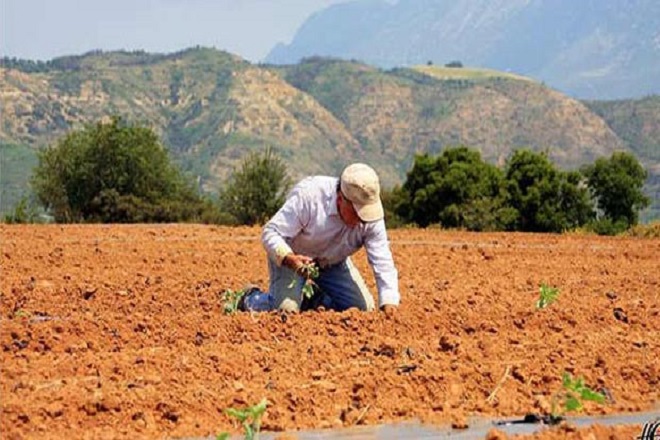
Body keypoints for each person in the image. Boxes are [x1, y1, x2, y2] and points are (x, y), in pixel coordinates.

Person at [239, 163, 400, 314]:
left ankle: (314, 299)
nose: (362, 220)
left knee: (362, 308)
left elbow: (382, 260)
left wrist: (389, 303)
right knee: (285, 310)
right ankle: (250, 298)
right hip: (294, 259)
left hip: (332, 262)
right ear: (340, 199)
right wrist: (289, 258)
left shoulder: (371, 217)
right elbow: (271, 232)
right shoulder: (310, 197)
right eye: (358, 213)